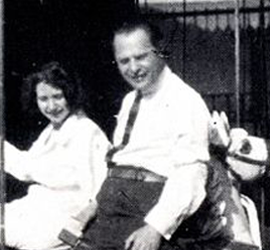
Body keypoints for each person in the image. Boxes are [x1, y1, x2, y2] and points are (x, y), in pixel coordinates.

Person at [0, 62, 111, 250]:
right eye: (43, 99)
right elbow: (27, 166)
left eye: (57, 97)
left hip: (60, 219)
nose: (51, 106)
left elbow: (101, 184)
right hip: (36, 208)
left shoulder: (86, 130)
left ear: (70, 95)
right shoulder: (51, 131)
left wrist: (80, 222)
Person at [74, 19, 211, 250]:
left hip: (148, 209)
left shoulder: (185, 101)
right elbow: (120, 159)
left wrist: (155, 227)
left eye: (141, 57)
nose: (133, 68)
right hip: (112, 206)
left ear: (160, 53)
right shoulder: (130, 100)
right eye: (124, 61)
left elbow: (191, 173)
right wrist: (94, 204)